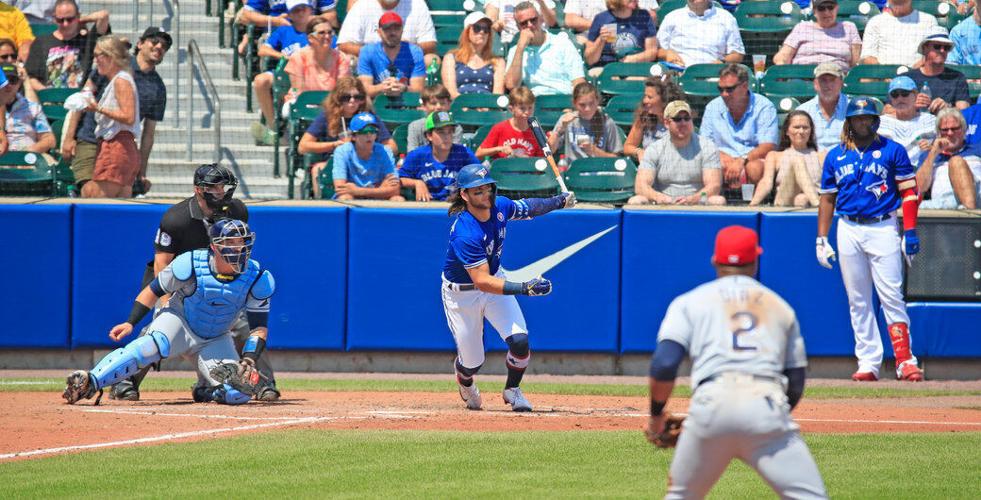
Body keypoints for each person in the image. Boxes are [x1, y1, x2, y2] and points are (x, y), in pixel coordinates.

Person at [644, 225, 828, 500]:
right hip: (765, 403)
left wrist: (657, 416)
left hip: (711, 404)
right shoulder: (779, 306)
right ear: (755, 261)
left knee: (681, 495)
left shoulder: (689, 301)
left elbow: (664, 364)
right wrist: (765, 417)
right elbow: (796, 382)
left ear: (714, 260)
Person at [109, 165, 282, 403]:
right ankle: (126, 381)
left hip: (218, 279)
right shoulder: (176, 218)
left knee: (244, 327)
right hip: (178, 281)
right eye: (213, 187)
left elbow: (238, 251)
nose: (220, 191)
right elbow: (162, 263)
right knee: (157, 331)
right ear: (198, 189)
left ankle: (261, 382)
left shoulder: (237, 210)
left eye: (222, 186)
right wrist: (165, 304)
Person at [63, 218, 276, 406]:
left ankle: (206, 391)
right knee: (149, 346)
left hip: (216, 337)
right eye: (230, 242)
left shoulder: (258, 277)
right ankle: (90, 382)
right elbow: (153, 290)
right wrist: (130, 322)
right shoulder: (191, 263)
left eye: (241, 242)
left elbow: (259, 329)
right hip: (179, 322)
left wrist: (249, 359)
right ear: (214, 246)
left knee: (240, 391)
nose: (238, 248)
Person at [442, 163, 575, 412]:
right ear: (465, 195)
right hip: (463, 295)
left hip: (495, 278)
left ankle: (512, 390)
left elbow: (530, 207)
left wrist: (560, 201)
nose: (486, 195)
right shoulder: (465, 233)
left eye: (487, 188)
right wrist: (524, 287)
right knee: (472, 362)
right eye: (478, 191)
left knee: (520, 341)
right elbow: (481, 281)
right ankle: (465, 381)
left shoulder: (500, 206)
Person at [816, 96, 925, 382]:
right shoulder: (836, 155)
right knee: (858, 299)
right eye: (857, 118)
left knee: (891, 295)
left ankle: (905, 360)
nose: (862, 122)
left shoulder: (892, 150)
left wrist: (910, 230)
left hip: (882, 225)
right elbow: (827, 198)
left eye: (867, 117)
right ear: (849, 122)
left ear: (876, 120)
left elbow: (909, 192)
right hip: (848, 226)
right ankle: (868, 361)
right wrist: (821, 238)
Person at [61, 28, 170, 195]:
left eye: (165, 45)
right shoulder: (112, 64)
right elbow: (83, 99)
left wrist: (142, 171)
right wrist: (69, 138)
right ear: (140, 44)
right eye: (154, 41)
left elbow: (148, 133)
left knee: (97, 195)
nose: (159, 47)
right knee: (91, 192)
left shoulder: (157, 87)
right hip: (90, 137)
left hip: (118, 143)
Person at [298, 77, 395, 198]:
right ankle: (323, 203)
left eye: (357, 97)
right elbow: (303, 146)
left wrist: (370, 147)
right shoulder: (327, 116)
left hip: (365, 162)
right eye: (346, 97)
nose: (352, 101)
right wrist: (334, 145)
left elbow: (392, 146)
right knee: (318, 169)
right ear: (337, 98)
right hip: (335, 161)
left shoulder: (368, 117)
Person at [627, 100, 725, 206]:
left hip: (698, 205)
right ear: (666, 123)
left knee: (717, 200)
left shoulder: (707, 147)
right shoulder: (654, 149)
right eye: (677, 119)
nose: (683, 123)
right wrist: (660, 197)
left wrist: (692, 199)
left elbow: (714, 186)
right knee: (636, 200)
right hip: (663, 206)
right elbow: (640, 186)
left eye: (687, 118)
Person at [699, 63, 778, 191]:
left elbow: (768, 146)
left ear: (745, 86)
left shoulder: (764, 106)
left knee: (755, 168)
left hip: (752, 159)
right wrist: (723, 157)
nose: (724, 94)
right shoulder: (712, 107)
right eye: (720, 89)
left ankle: (753, 202)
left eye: (729, 89)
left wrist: (742, 160)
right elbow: (704, 144)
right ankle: (717, 201)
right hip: (723, 158)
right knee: (716, 166)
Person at [79, 35, 140, 199]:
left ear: (110, 56)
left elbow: (129, 116)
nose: (95, 60)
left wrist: (97, 108)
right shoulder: (120, 80)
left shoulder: (121, 81)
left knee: (94, 198)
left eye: (98, 55)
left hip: (116, 146)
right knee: (118, 206)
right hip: (122, 148)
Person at [249, 0, 315, 144]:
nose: (301, 13)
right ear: (289, 14)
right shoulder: (284, 30)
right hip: (285, 75)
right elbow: (262, 50)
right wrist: (283, 56)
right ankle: (275, 129)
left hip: (312, 77)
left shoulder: (319, 31)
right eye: (296, 10)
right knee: (260, 81)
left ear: (310, 10)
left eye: (304, 9)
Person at [25, 0, 110, 92]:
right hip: (50, 97)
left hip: (80, 97)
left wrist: (81, 20)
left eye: (69, 19)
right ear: (54, 18)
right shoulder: (41, 42)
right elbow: (31, 77)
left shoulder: (87, 41)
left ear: (78, 16)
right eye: (60, 20)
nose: (65, 24)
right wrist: (49, 93)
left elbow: (103, 16)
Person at [503, 1, 586, 95]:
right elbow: (511, 85)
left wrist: (573, 102)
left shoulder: (562, 43)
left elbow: (578, 80)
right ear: (518, 27)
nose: (530, 25)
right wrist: (520, 47)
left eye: (533, 20)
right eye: (524, 23)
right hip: (532, 102)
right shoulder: (515, 51)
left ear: (540, 19)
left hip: (562, 99)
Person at [751, 110, 825, 207]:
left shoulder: (821, 156)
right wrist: (752, 204)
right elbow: (766, 183)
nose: (801, 131)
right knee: (797, 160)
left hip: (811, 199)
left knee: (801, 199)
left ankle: (817, 203)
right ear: (787, 131)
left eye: (805, 127)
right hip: (784, 202)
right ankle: (818, 205)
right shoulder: (774, 156)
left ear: (811, 131)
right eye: (796, 127)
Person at [399, 111, 479, 201]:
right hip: (425, 205)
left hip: (456, 205)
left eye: (450, 132)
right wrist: (417, 183)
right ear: (429, 135)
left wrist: (464, 190)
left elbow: (481, 175)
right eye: (441, 132)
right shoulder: (417, 155)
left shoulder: (463, 153)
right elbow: (400, 179)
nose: (446, 137)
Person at [336, 0, 437, 67]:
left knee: (432, 60)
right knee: (348, 60)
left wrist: (406, 49)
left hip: (407, 59)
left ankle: (423, 93)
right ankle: (356, 93)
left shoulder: (417, 4)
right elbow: (344, 44)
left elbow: (430, 43)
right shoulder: (362, 5)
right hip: (370, 61)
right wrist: (376, 51)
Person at [331, 111, 403, 201]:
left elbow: (395, 189)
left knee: (397, 199)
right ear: (353, 136)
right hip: (355, 197)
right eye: (364, 132)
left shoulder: (385, 151)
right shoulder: (342, 151)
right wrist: (381, 189)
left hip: (376, 197)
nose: (369, 135)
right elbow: (340, 189)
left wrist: (359, 191)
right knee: (345, 197)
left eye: (372, 131)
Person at [917, 107, 980, 209]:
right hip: (944, 205)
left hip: (977, 199)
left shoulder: (977, 150)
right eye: (945, 130)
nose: (950, 133)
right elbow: (919, 189)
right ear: (938, 133)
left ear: (964, 130)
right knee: (907, 207)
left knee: (956, 162)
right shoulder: (928, 156)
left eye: (955, 129)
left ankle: (970, 214)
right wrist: (933, 153)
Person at [773, 0, 861, 72]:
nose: (827, 12)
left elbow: (856, 62)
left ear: (836, 8)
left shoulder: (849, 27)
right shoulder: (802, 27)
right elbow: (782, 56)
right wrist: (784, 69)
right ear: (814, 12)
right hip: (802, 77)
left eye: (830, 7)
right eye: (821, 8)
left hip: (835, 78)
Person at [547, 81, 623, 161]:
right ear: (574, 103)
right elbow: (550, 151)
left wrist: (595, 151)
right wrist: (560, 130)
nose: (588, 109)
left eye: (591, 103)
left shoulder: (607, 122)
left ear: (597, 101)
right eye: (582, 105)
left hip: (598, 167)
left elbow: (617, 159)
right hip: (573, 167)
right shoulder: (567, 120)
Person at [656, 0, 744, 68]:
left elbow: (738, 54)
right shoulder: (672, 18)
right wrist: (667, 54)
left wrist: (722, 62)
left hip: (712, 74)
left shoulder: (727, 18)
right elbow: (657, 50)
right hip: (678, 73)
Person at [356, 11, 425, 99]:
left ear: (402, 30)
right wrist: (382, 87)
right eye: (387, 29)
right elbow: (364, 90)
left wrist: (404, 88)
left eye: (396, 29)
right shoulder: (367, 51)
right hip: (376, 103)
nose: (392, 33)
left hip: (407, 103)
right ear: (379, 32)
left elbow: (419, 90)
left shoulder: (414, 52)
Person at [441, 11, 505, 99]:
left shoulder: (498, 62)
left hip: (487, 106)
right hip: (460, 105)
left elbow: (497, 95)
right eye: (477, 28)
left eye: (486, 29)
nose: (482, 32)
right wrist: (469, 104)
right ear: (467, 31)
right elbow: (451, 92)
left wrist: (483, 105)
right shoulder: (451, 58)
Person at [905, 27, 971, 113]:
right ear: (925, 48)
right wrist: (911, 106)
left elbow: (965, 111)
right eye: (937, 46)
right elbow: (889, 110)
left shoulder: (957, 78)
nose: (942, 50)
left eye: (946, 47)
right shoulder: (908, 78)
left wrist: (948, 109)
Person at [583, 0, 658, 72]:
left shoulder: (644, 17)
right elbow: (590, 60)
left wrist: (634, 59)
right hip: (606, 68)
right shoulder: (602, 19)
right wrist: (601, 40)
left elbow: (652, 52)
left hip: (635, 68)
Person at [878, 76, 936, 166]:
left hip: (922, 168)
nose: (900, 98)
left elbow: (947, 146)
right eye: (895, 94)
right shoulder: (880, 122)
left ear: (916, 95)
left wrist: (933, 149)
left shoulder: (932, 120)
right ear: (890, 98)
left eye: (905, 93)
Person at [623, 76, 682, 162]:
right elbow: (628, 146)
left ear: (664, 100)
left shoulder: (682, 122)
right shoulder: (644, 117)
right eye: (645, 96)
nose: (645, 101)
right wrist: (639, 152)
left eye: (649, 97)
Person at [0, 63, 54, 159]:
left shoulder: (32, 108)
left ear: (19, 83)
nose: (8, 85)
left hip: (28, 160)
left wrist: (27, 154)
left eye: (12, 80)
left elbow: (49, 140)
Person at [860, 0, 937, 66]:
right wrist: (885, 73)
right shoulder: (875, 22)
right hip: (883, 76)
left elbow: (933, 53)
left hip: (918, 75)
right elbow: (867, 56)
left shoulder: (928, 21)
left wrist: (912, 73)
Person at [476, 86, 544, 159]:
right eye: (522, 108)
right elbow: (478, 153)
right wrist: (499, 149)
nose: (527, 112)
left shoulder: (537, 131)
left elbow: (541, 159)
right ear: (511, 109)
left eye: (530, 108)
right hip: (503, 165)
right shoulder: (500, 128)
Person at [797, 62, 849, 153]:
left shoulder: (853, 108)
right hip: (812, 158)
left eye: (832, 80)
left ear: (841, 83)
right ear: (815, 84)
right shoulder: (803, 111)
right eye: (823, 80)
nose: (827, 85)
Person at [564, 0, 659, 43]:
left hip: (634, 36)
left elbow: (652, 15)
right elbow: (570, 19)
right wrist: (600, 26)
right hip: (594, 35)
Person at [405, 83, 463, 152]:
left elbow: (455, 152)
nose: (438, 107)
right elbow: (412, 151)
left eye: (442, 103)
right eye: (433, 103)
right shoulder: (415, 126)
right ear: (424, 106)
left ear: (449, 104)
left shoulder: (456, 127)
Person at [485, 0, 557, 46]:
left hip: (540, 42)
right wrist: (496, 24)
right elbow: (490, 19)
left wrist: (541, 3)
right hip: (510, 42)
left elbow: (551, 22)